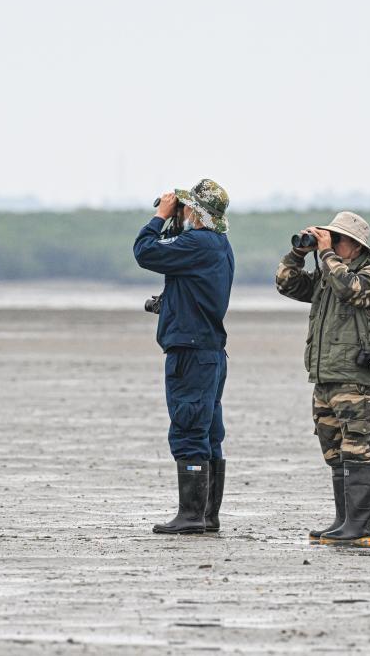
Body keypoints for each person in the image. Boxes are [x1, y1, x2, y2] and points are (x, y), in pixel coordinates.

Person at [275, 212, 370, 547]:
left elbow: (350, 290)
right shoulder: (328, 274)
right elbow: (287, 284)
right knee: (334, 450)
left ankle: (359, 527)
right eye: (329, 238)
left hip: (355, 377)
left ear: (354, 245)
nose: (330, 244)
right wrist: (298, 254)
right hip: (325, 374)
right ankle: (343, 521)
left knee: (357, 448)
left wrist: (326, 255)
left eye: (336, 239)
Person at [133, 179, 234, 535]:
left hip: (191, 351)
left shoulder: (198, 243)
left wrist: (159, 217)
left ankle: (191, 516)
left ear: (197, 212)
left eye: (187, 207)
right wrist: (177, 219)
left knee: (189, 427)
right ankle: (206, 515)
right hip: (210, 351)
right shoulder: (218, 243)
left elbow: (145, 251)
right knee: (209, 432)